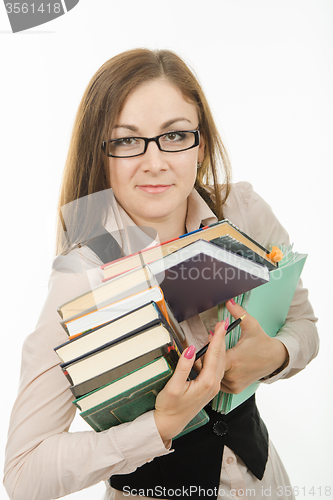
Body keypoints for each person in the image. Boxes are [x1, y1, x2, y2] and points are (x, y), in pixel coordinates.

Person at [3, 48, 318, 500]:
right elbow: (24, 473)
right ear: (103, 152)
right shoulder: (83, 274)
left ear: (201, 144)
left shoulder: (243, 212)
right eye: (128, 140)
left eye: (174, 136)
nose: (155, 162)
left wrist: (277, 355)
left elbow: (304, 325)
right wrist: (159, 426)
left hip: (267, 485)